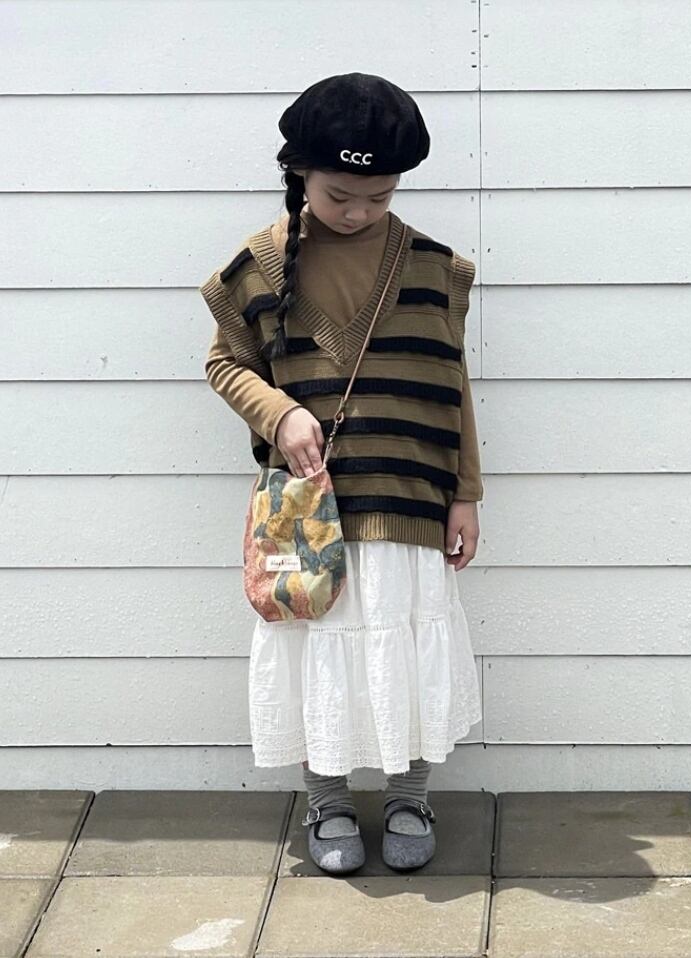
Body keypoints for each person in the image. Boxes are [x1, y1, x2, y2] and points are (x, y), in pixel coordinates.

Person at [198, 73, 484, 876]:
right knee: (314, 651)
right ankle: (325, 801)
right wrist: (279, 413)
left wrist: (464, 493)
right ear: (299, 173)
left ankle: (409, 796)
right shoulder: (259, 267)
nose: (357, 211)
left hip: (409, 495)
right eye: (338, 195)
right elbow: (225, 364)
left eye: (378, 196)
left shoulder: (434, 268)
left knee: (407, 649)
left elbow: (452, 385)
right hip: (308, 509)